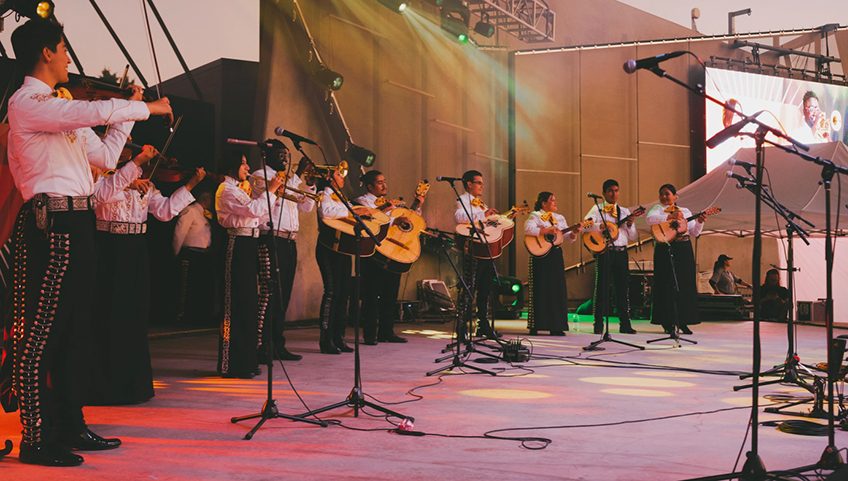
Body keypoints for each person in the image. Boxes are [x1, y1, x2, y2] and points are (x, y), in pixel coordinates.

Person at [1, 19, 172, 466]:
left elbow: (104, 157)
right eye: (62, 48)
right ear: (45, 53)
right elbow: (89, 113)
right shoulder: (27, 103)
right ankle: (36, 438)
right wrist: (146, 108)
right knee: (42, 336)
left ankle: (70, 424)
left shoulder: (60, 109)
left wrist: (127, 115)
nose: (68, 57)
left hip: (77, 222)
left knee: (78, 331)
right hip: (49, 224)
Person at [89, 146, 203, 405]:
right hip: (109, 249)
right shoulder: (101, 177)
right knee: (108, 312)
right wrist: (129, 178)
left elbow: (164, 212)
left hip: (136, 250)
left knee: (133, 314)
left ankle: (131, 383)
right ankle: (103, 383)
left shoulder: (146, 186)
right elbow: (99, 197)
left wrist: (191, 185)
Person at [215, 153, 283, 378]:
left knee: (249, 303)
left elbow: (260, 215)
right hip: (237, 243)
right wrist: (270, 191)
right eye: (242, 162)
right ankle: (232, 363)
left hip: (250, 242)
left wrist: (272, 197)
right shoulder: (226, 189)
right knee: (236, 302)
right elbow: (252, 210)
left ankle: (247, 358)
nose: (247, 166)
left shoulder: (242, 188)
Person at [251, 142, 316, 362]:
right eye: (280, 155)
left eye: (286, 156)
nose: (285, 160)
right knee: (270, 294)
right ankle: (262, 345)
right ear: (267, 156)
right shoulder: (261, 176)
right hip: (271, 238)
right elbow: (280, 193)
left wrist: (310, 184)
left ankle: (278, 344)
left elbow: (305, 206)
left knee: (283, 296)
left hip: (289, 240)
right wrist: (297, 174)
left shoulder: (288, 180)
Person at [355, 170, 424, 344]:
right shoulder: (362, 201)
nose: (384, 185)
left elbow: (409, 221)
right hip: (373, 253)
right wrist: (390, 214)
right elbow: (370, 219)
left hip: (392, 252)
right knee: (371, 295)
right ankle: (370, 334)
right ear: (370, 186)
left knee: (390, 294)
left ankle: (387, 331)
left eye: (385, 181)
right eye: (379, 182)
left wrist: (416, 204)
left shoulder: (391, 203)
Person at [645, 184, 706, 335]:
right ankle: (667, 322)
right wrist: (669, 216)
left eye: (667, 194)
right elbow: (650, 220)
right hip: (665, 248)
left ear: (675, 197)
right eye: (662, 194)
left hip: (684, 248)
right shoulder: (657, 209)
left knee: (684, 284)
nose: (664, 197)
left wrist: (700, 221)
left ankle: (683, 321)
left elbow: (694, 232)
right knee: (666, 283)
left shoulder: (685, 211)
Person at [583, 179, 638, 334]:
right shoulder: (597, 208)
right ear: (604, 193)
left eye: (616, 190)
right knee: (601, 288)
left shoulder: (625, 211)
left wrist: (629, 224)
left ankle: (625, 324)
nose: (614, 194)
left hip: (621, 252)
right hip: (605, 251)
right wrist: (598, 226)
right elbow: (585, 226)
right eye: (610, 191)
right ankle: (598, 324)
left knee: (622, 288)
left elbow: (633, 236)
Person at [524, 192, 579, 336]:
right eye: (552, 200)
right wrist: (545, 230)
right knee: (540, 288)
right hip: (540, 255)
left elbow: (567, 237)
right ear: (543, 203)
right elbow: (528, 228)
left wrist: (574, 233)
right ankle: (536, 324)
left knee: (557, 289)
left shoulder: (559, 218)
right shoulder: (536, 215)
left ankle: (556, 325)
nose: (555, 202)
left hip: (555, 254)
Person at [454, 169, 500, 339]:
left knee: (485, 287)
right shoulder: (463, 200)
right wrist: (483, 214)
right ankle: (462, 327)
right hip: (471, 249)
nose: (482, 186)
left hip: (485, 248)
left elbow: (484, 223)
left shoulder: (481, 203)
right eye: (479, 182)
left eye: (482, 182)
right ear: (469, 184)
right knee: (469, 288)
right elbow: (460, 217)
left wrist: (497, 220)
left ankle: (483, 325)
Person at [315, 167, 353, 354]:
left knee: (344, 292)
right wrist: (351, 210)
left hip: (344, 247)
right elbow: (327, 212)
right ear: (329, 177)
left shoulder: (341, 198)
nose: (342, 177)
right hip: (328, 247)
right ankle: (326, 339)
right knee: (331, 291)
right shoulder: (324, 194)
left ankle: (339, 337)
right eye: (338, 174)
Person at [173, 191, 215, 326]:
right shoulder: (191, 210)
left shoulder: (205, 214)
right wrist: (176, 252)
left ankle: (198, 317)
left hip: (203, 253)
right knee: (187, 287)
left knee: (200, 287)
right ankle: (184, 317)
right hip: (190, 252)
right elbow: (180, 232)